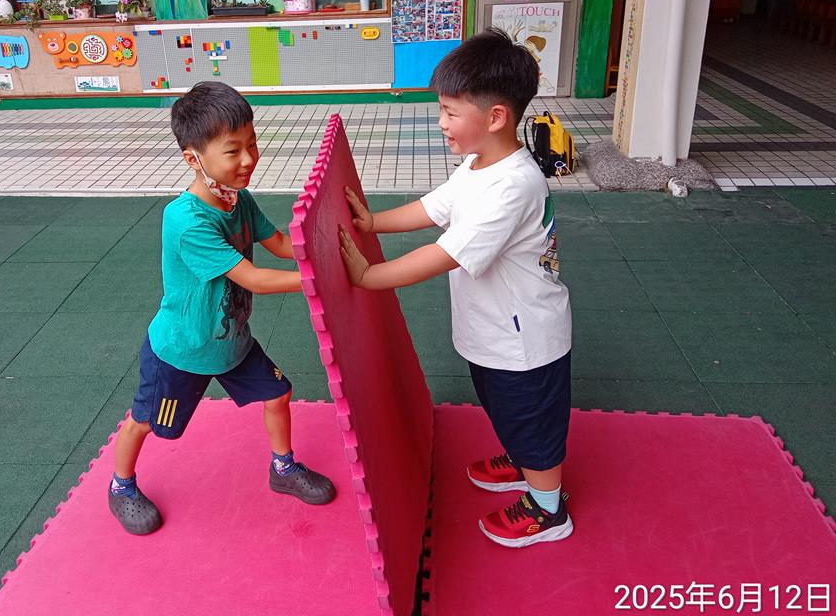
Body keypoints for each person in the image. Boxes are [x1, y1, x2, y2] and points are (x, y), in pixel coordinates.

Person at [338, 29, 573, 548]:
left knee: (532, 422)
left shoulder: (513, 185)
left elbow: (445, 252)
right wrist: (374, 223)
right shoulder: (477, 164)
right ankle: (522, 459)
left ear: (495, 117)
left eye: (449, 111)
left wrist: (370, 276)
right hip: (495, 331)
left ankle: (548, 509)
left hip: (525, 342)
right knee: (505, 409)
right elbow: (433, 208)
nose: (441, 122)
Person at [109, 81, 335, 534]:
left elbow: (278, 244)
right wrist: (324, 281)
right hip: (182, 351)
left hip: (233, 343)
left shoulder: (239, 198)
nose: (249, 159)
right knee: (145, 422)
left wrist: (326, 245)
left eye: (252, 144)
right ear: (193, 158)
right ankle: (121, 486)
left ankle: (283, 468)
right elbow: (254, 279)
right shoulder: (187, 220)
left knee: (279, 393)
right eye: (233, 151)